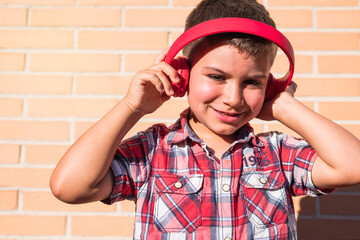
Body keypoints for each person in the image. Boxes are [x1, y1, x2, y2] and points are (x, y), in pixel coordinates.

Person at [50, 0, 360, 239]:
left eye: (253, 82)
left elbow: (353, 166)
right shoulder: (152, 152)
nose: (234, 98)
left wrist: (284, 105)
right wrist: (133, 106)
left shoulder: (277, 155)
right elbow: (70, 187)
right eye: (216, 76)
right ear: (182, 74)